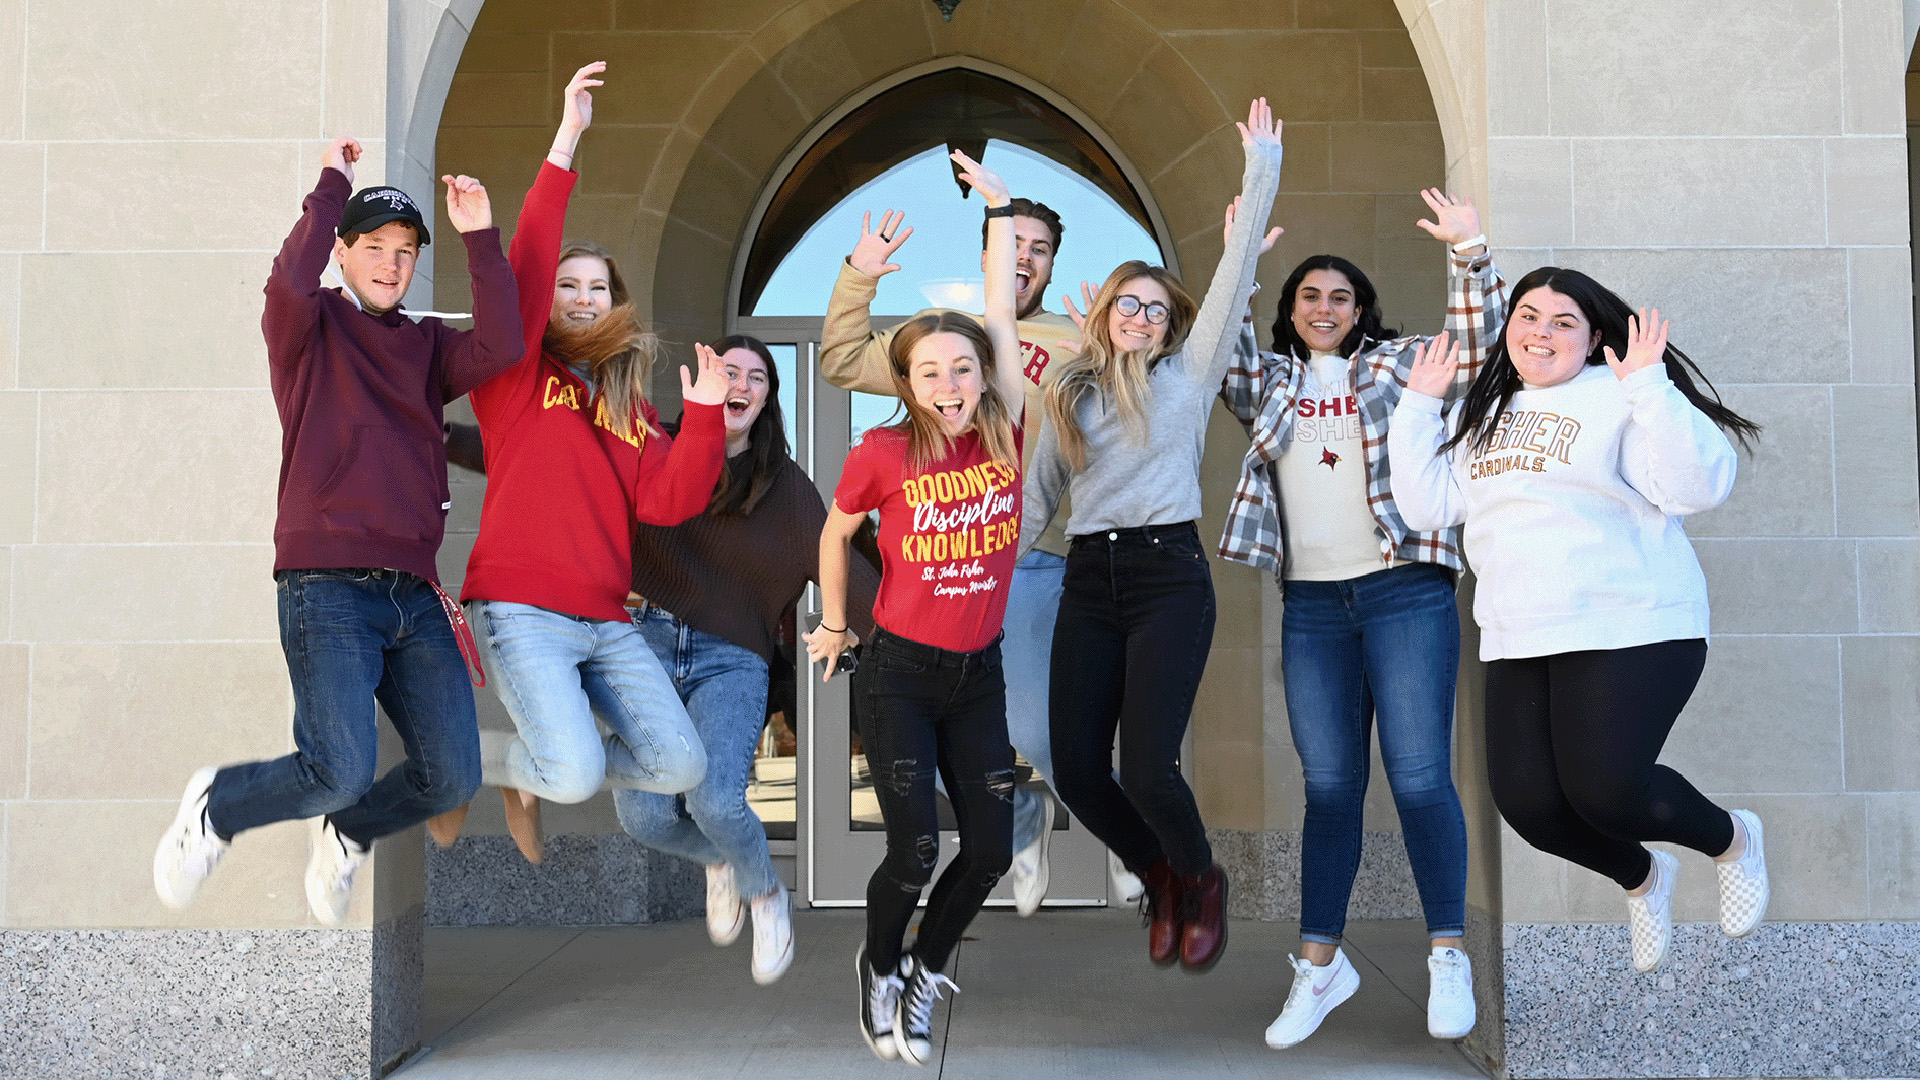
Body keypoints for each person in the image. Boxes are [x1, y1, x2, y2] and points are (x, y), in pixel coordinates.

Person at [152, 137, 523, 924]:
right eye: (375, 248)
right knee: (337, 766)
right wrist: (331, 186)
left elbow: (501, 346)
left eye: (406, 252)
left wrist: (481, 236)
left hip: (415, 595)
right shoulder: (309, 326)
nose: (392, 264)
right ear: (345, 255)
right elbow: (288, 276)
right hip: (326, 587)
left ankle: (349, 834)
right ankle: (217, 807)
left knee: (451, 776)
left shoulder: (426, 346)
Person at [1386, 267, 1769, 978]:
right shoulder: (1486, 411)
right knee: (1531, 807)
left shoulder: (1623, 395)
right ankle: (1643, 877)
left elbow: (1697, 487)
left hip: (1633, 626)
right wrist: (1416, 408)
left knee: (1609, 789)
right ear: (1510, 329)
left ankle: (1732, 839)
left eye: (1564, 321)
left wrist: (1649, 387)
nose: (1542, 331)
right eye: (1529, 315)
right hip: (1520, 634)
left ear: (1594, 338)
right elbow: (1427, 508)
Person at [1215, 191, 1505, 1048]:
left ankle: (1446, 951)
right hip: (1312, 604)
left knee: (1419, 777)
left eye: (1341, 297)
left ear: (1362, 310)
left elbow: (1480, 347)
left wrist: (1470, 253)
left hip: (1404, 589)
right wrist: (1241, 254)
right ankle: (1319, 964)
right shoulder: (1268, 382)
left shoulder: (1398, 364)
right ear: (1290, 308)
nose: (1325, 309)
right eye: (1309, 296)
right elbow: (1219, 348)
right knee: (1330, 787)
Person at [433, 62, 728, 864]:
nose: (586, 296)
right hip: (524, 608)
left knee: (680, 763)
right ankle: (486, 769)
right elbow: (525, 262)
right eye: (571, 284)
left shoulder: (625, 403)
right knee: (573, 776)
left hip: (605, 616)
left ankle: (521, 771)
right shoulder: (518, 375)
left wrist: (702, 416)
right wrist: (568, 138)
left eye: (599, 287)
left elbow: (669, 503)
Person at [1021, 98, 1285, 973]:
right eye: (1125, 306)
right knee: (1079, 769)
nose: (1140, 318)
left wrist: (1261, 167)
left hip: (1169, 575)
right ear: (1102, 314)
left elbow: (1236, 266)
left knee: (1148, 768)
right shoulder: (1071, 390)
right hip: (1088, 583)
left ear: (1172, 327)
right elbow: (1036, 500)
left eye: (1154, 310)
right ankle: (1157, 874)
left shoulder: (1187, 374)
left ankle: (1200, 877)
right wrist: (975, 580)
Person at [820, 189, 1129, 911]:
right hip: (949, 569)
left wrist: (1107, 360)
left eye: (1039, 248)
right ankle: (1026, 812)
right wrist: (858, 274)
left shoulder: (1071, 340)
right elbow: (838, 361)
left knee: (1037, 722)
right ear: (989, 253)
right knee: (943, 743)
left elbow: (1121, 428)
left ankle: (1116, 825)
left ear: (1051, 267)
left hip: (1044, 552)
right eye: (1011, 243)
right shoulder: (939, 345)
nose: (1023, 257)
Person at [805, 149, 1025, 1067]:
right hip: (899, 673)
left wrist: (1001, 212)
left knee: (993, 848)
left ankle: (927, 965)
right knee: (913, 851)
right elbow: (833, 533)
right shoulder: (882, 454)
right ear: (906, 383)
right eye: (930, 370)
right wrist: (832, 621)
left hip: (978, 677)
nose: (950, 382)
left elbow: (1005, 314)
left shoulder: (1008, 423)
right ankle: (880, 964)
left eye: (963, 366)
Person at [616, 334, 881, 985]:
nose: (739, 383)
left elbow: (839, 561)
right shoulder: (654, 451)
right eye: (727, 369)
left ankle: (764, 892)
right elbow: (553, 469)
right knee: (644, 815)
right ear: (701, 380)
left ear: (766, 398)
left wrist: (901, 630)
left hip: (731, 656)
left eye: (755, 377)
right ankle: (719, 862)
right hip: (644, 639)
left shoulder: (786, 491)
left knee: (716, 800)